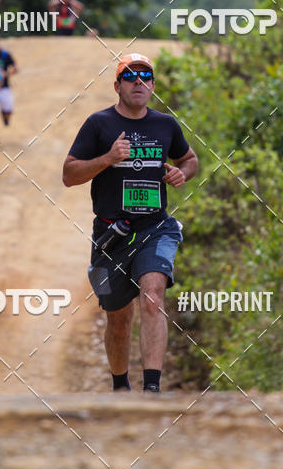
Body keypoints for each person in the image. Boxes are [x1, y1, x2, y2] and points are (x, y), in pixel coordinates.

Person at [62, 53, 198, 393]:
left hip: (155, 228)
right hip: (111, 233)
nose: (138, 81)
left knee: (152, 295)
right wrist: (108, 158)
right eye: (130, 75)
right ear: (117, 85)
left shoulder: (165, 125)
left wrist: (183, 172)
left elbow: (190, 158)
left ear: (152, 86)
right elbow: (68, 174)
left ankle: (151, 389)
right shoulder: (99, 124)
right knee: (119, 319)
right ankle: (121, 387)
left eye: (145, 76)